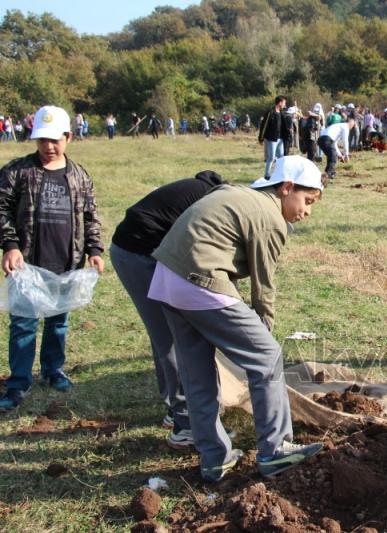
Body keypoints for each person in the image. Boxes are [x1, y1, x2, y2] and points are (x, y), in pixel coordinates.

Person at [148, 156, 325, 482]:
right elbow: (264, 287)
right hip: (197, 278)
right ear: (287, 188)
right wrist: (262, 334)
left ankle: (215, 460)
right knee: (267, 355)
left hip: (166, 279)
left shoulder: (242, 194)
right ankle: (276, 449)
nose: (308, 211)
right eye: (307, 200)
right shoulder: (270, 218)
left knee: (197, 372)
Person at [0, 106, 105, 411]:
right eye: (42, 140)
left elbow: (90, 216)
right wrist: (9, 244)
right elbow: (1, 209)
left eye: (55, 139)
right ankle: (19, 382)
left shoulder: (79, 176)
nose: (48, 147)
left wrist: (95, 250)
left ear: (68, 137)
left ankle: (52, 370)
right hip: (27, 264)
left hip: (66, 263)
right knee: (23, 323)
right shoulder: (17, 172)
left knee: (58, 321)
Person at [110, 171, 226, 438]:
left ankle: (179, 409)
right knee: (171, 334)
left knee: (171, 333)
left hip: (148, 248)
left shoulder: (209, 194)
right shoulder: (213, 204)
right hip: (137, 253)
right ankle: (185, 422)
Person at [257, 96, 286, 177]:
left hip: (280, 139)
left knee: (281, 158)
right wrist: (261, 138)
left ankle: (278, 174)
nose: (285, 104)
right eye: (284, 103)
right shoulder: (270, 112)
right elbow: (264, 125)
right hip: (271, 139)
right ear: (280, 103)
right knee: (271, 158)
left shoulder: (281, 112)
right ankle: (267, 175)